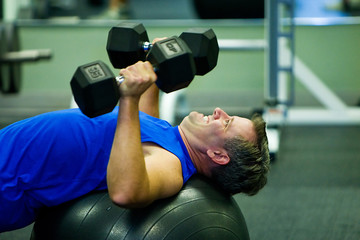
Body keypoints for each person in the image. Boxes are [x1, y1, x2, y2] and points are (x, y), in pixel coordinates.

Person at [0, 50, 270, 232]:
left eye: (227, 122)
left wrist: (128, 98)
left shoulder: (173, 166)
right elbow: (142, 125)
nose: (220, 112)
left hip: (7, 182)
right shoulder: (169, 137)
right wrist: (158, 63)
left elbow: (126, 192)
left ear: (218, 155)